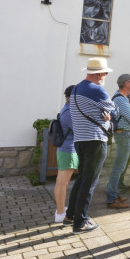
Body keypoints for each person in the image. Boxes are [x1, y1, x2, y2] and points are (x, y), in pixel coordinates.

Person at [65, 58, 116, 234]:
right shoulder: (98, 91)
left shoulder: (76, 89)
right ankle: (80, 223)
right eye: (105, 73)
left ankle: (70, 216)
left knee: (81, 180)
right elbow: (113, 109)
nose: (105, 76)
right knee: (89, 182)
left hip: (79, 140)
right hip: (95, 140)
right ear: (100, 74)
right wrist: (108, 116)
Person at [106, 74, 130, 209]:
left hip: (125, 134)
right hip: (124, 135)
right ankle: (111, 198)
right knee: (119, 167)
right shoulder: (121, 99)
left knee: (119, 167)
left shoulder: (122, 98)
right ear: (127, 83)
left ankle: (113, 193)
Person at [54, 85, 76, 224]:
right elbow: (79, 128)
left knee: (61, 181)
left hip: (65, 149)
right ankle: (60, 212)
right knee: (63, 182)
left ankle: (60, 209)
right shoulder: (69, 113)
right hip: (68, 150)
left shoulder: (67, 109)